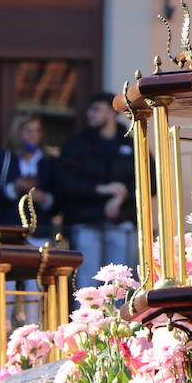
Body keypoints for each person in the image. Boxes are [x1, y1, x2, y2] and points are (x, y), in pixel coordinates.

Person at [54, 92, 136, 289]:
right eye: (89, 109)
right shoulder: (76, 144)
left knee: (120, 286)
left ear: (112, 113)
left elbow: (148, 180)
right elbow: (64, 183)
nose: (90, 114)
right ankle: (88, 321)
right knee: (88, 286)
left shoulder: (130, 143)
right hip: (85, 223)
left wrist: (121, 196)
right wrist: (100, 189)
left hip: (121, 223)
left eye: (96, 109)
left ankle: (121, 322)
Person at [0, 113, 57, 227]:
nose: (33, 136)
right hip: (8, 227)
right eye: (28, 131)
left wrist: (44, 198)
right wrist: (15, 187)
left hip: (40, 230)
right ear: (17, 132)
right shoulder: (4, 159)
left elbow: (59, 198)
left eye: (37, 131)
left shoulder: (49, 161)